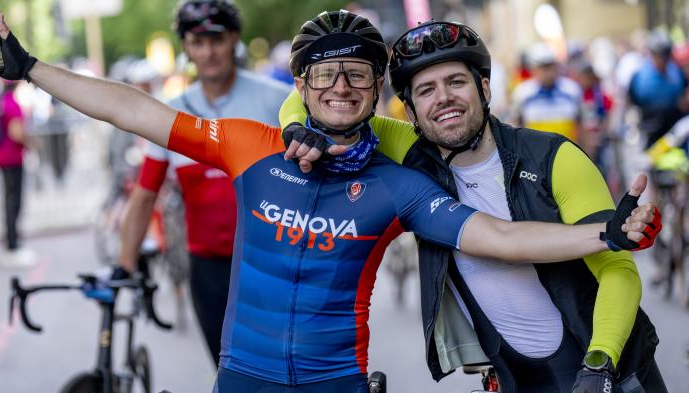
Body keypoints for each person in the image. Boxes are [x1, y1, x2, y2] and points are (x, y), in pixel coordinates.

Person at [0, 11, 659, 392]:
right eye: (323, 75)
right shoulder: (253, 145)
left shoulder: (401, 184)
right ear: (302, 84)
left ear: (376, 90)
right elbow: (131, 111)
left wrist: (606, 234)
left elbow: (501, 239)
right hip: (243, 377)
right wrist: (28, 69)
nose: (340, 87)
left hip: (338, 380)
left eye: (357, 74)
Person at [280, 20, 666, 393]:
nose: (443, 96)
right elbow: (319, 97)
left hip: (608, 370)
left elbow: (617, 268)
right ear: (410, 112)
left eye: (456, 82)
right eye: (426, 89)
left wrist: (600, 360)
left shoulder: (553, 157)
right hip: (514, 378)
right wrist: (295, 127)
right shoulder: (411, 155)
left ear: (484, 89)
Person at [117, 0, 291, 366]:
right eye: (198, 41)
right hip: (208, 269)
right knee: (229, 373)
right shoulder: (169, 113)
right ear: (186, 47)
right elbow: (145, 193)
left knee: (284, 373)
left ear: (234, 39)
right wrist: (125, 265)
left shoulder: (276, 100)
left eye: (217, 39)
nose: (208, 51)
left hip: (275, 264)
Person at [0, 78, 37, 268]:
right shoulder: (12, 104)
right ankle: (12, 245)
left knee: (8, 201)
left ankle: (11, 243)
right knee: (13, 202)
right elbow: (16, 132)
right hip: (12, 158)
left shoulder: (1, 102)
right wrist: (32, 144)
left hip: (1, 156)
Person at [511, 42, 582, 142]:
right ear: (533, 69)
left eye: (551, 66)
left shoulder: (572, 89)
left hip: (567, 151)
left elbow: (581, 124)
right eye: (543, 67)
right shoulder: (522, 93)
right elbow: (515, 126)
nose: (548, 72)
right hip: (534, 153)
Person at [628, 30, 688, 149]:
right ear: (652, 54)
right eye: (660, 55)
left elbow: (684, 94)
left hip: (675, 129)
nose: (663, 60)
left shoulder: (677, 72)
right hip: (650, 131)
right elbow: (632, 101)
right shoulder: (639, 77)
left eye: (666, 55)